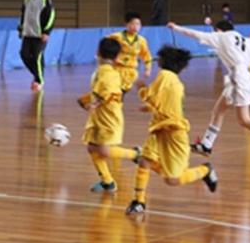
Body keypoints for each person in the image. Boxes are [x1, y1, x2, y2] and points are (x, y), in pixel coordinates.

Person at [168, 21, 250, 161]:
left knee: (244, 119)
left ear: (219, 30)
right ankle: (206, 144)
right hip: (244, 78)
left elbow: (196, 34)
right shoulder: (248, 42)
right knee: (218, 111)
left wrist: (176, 28)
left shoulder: (220, 37)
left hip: (239, 80)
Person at [125, 46, 217, 217]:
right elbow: (162, 102)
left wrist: (141, 87)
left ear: (161, 62)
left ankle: (205, 170)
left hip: (175, 132)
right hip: (159, 129)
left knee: (173, 180)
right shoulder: (172, 80)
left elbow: (150, 96)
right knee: (145, 162)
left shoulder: (165, 76)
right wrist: (149, 108)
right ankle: (139, 201)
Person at [81, 38, 141, 193]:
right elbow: (99, 91)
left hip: (109, 118)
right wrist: (86, 100)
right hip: (98, 117)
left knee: (104, 151)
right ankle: (107, 181)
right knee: (91, 147)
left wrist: (95, 103)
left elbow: (109, 92)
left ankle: (135, 154)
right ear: (116, 57)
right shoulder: (102, 71)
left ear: (98, 52)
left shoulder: (109, 73)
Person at [18, 0, 55, 92]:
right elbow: (24, 16)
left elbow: (51, 16)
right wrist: (21, 29)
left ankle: (39, 81)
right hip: (28, 34)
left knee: (37, 56)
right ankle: (37, 74)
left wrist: (46, 32)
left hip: (39, 35)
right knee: (24, 54)